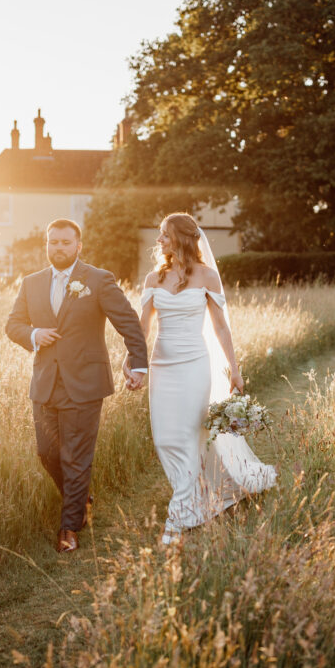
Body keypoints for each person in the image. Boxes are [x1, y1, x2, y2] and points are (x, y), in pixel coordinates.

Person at [124, 213, 276, 545]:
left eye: (165, 234)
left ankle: (179, 519)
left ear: (182, 238)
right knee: (166, 439)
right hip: (163, 366)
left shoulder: (207, 276)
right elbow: (143, 328)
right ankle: (197, 495)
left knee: (191, 436)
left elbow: (220, 326)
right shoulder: (153, 279)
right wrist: (132, 362)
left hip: (195, 365)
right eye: (160, 234)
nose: (159, 240)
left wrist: (234, 369)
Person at [6, 219, 148, 553]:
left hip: (84, 383)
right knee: (46, 453)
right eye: (53, 242)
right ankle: (81, 497)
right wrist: (33, 335)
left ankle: (69, 528)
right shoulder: (31, 283)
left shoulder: (98, 280)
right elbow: (13, 324)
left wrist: (138, 363)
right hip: (45, 383)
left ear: (78, 246)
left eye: (65, 243)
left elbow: (127, 321)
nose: (58, 248)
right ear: (47, 244)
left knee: (76, 459)